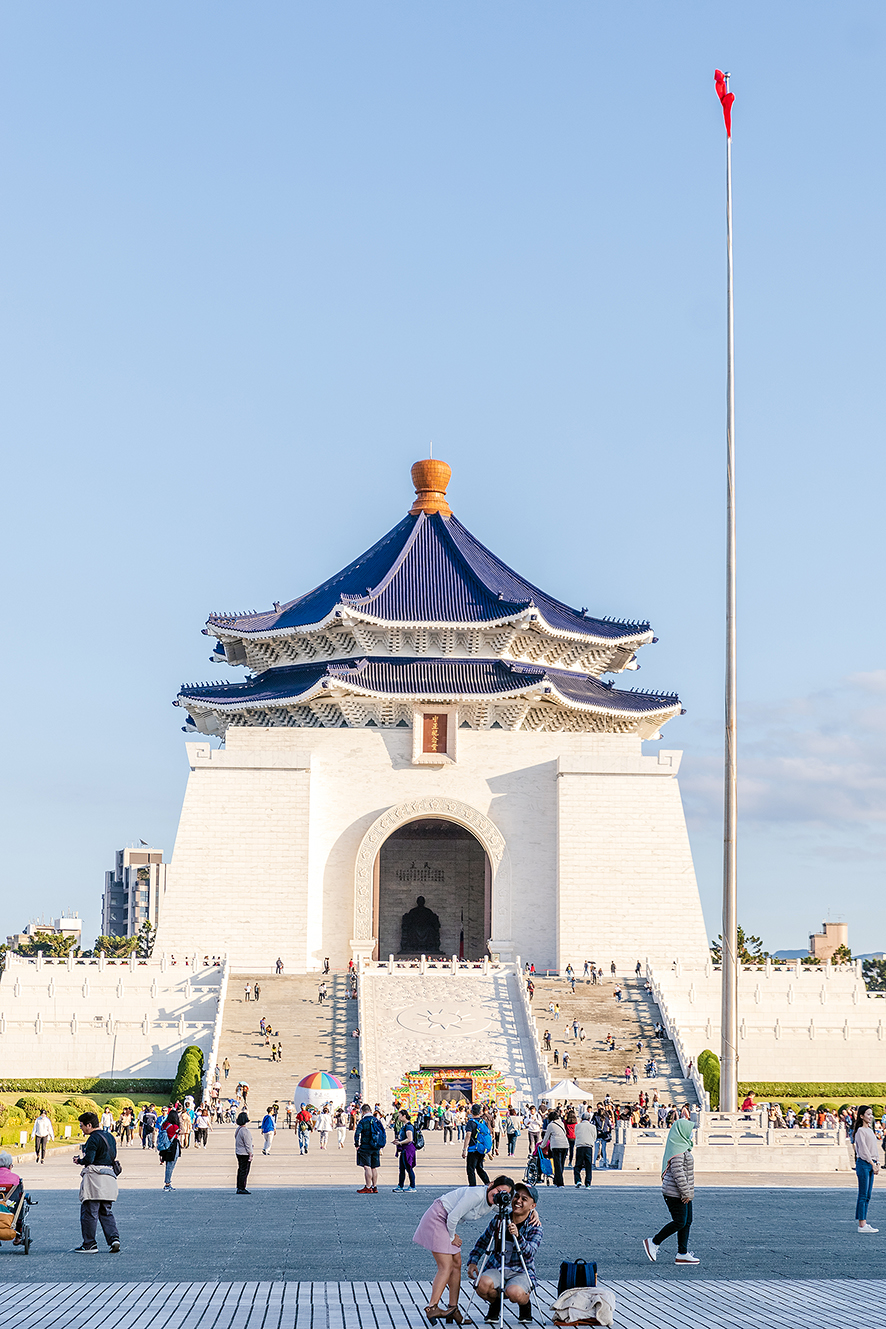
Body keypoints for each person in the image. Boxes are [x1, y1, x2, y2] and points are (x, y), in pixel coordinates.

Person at [413, 1176, 515, 1323]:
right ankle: (432, 1307)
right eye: (498, 1191)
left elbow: (508, 1211)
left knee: (456, 1264)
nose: (499, 1195)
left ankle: (453, 1309)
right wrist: (452, 1236)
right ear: (491, 1184)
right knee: (445, 1266)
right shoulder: (477, 1194)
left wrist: (531, 1213)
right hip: (438, 1218)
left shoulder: (493, 1202)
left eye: (504, 1194)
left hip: (446, 1221)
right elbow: (453, 1216)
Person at [468, 1182, 543, 1324]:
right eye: (516, 1196)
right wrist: (473, 1261)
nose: (518, 1201)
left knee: (514, 1292)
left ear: (533, 1206)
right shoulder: (500, 1218)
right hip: (497, 1267)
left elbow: (530, 1253)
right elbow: (483, 1241)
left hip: (520, 1270)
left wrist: (518, 1237)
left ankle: (525, 1305)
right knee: (481, 1285)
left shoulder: (535, 1226)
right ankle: (495, 1304)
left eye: (524, 1199)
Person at [643, 1119, 699, 1265]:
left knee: (687, 1221)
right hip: (675, 1193)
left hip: (683, 1191)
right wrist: (686, 1193)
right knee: (680, 1221)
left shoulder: (683, 1146)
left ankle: (682, 1253)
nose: (691, 1133)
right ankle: (653, 1242)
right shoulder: (677, 1150)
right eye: (689, 1130)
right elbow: (678, 1173)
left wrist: (688, 1192)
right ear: (682, 1131)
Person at [71, 1111, 120, 1253]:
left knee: (89, 1212)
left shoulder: (93, 1139)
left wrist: (79, 1161)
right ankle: (114, 1239)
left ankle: (89, 1244)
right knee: (106, 1211)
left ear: (89, 1125)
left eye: (82, 1126)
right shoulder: (110, 1136)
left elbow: (89, 1159)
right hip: (109, 1176)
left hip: (95, 1178)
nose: (81, 1128)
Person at [854, 1104, 880, 1232]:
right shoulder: (860, 1131)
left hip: (871, 1163)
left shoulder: (870, 1130)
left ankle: (864, 1222)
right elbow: (864, 1150)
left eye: (871, 1114)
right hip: (864, 1164)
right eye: (868, 1114)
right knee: (863, 1194)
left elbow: (874, 1148)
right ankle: (861, 1225)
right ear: (861, 1116)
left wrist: (877, 1162)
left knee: (868, 1194)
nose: (871, 1116)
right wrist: (872, 1163)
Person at [354, 1103, 386, 1193]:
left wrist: (357, 1145)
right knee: (374, 1167)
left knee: (367, 1166)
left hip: (365, 1146)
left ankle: (368, 1187)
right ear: (370, 1111)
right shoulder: (376, 1120)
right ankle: (374, 1186)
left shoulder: (363, 1121)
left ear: (363, 1112)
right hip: (375, 1146)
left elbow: (357, 1134)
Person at [463, 1104, 492, 1186]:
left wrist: (464, 1149)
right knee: (479, 1168)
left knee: (470, 1169)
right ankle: (487, 1183)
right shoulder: (483, 1122)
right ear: (480, 1112)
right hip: (481, 1149)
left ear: (471, 1111)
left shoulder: (470, 1122)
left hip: (473, 1149)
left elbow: (468, 1135)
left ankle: (472, 1187)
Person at [540, 1110, 569, 1187]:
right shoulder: (561, 1123)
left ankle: (560, 1183)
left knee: (557, 1164)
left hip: (556, 1145)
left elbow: (546, 1137)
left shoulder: (551, 1125)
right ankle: (557, 1179)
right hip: (565, 1145)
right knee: (561, 1164)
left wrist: (542, 1146)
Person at [393, 1110, 417, 1191]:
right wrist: (398, 1141)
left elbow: (410, 1139)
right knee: (402, 1169)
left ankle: (412, 1186)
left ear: (404, 1116)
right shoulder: (404, 1126)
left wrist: (400, 1142)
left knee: (409, 1168)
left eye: (400, 1115)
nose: (398, 1117)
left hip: (408, 1150)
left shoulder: (409, 1126)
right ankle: (400, 1186)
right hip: (404, 1149)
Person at [158, 1109, 181, 1191]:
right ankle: (167, 1183)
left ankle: (168, 1183)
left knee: (168, 1165)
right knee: (170, 1165)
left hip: (165, 1146)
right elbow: (179, 1132)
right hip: (173, 1146)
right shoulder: (175, 1126)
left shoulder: (164, 1124)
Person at [573, 1111, 594, 1187]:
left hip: (580, 1146)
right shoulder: (593, 1127)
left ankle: (578, 1180)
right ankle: (588, 1182)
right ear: (589, 1119)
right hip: (588, 1147)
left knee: (578, 1165)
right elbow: (594, 1137)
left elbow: (576, 1135)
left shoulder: (577, 1126)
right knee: (588, 1165)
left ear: (581, 1118)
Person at [235, 1110, 253, 1194]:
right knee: (244, 1171)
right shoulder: (245, 1130)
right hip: (244, 1153)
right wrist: (250, 1153)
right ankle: (242, 1187)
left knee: (240, 1170)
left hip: (238, 1151)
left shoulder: (238, 1129)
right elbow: (247, 1143)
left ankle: (239, 1186)